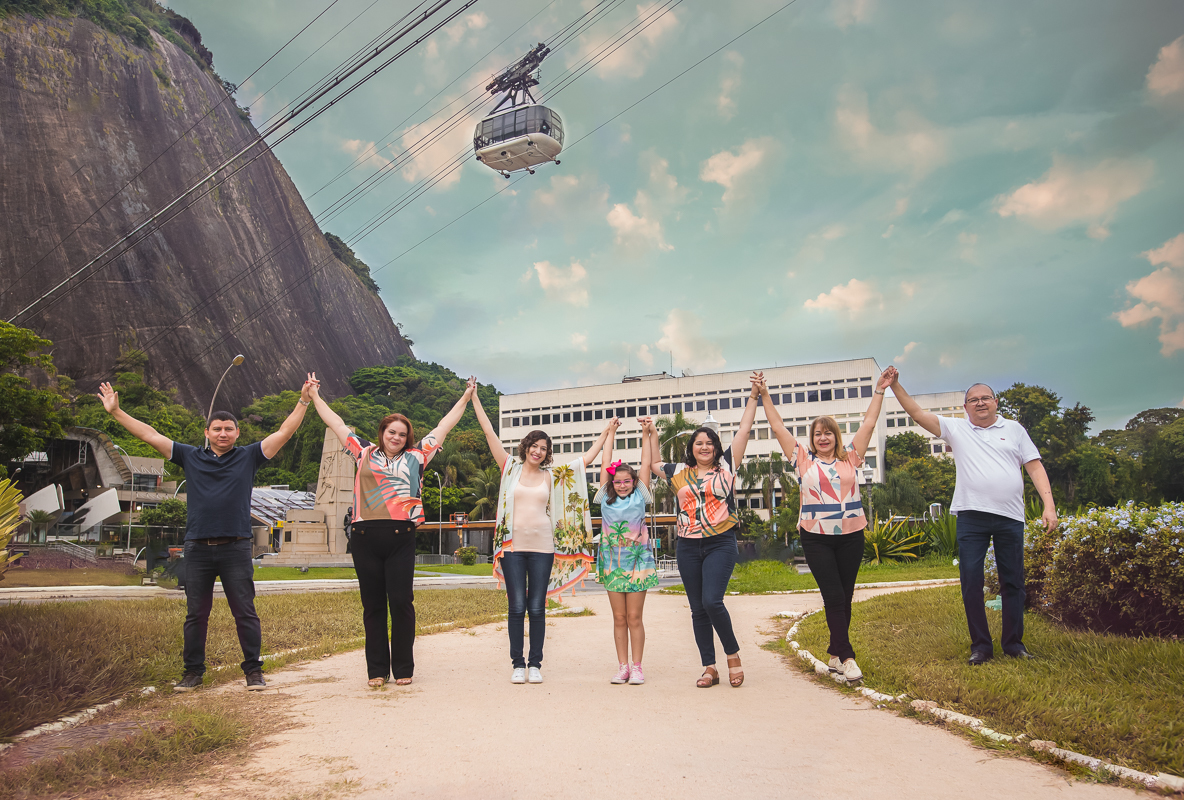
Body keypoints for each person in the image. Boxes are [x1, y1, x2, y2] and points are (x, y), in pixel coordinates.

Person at [98, 377, 314, 692]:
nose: (223, 433)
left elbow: (283, 432)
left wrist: (304, 401)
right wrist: (116, 412)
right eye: (217, 428)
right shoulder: (190, 457)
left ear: (237, 432)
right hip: (198, 548)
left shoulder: (249, 456)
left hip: (236, 547)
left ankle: (253, 671)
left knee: (245, 612)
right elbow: (150, 435)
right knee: (195, 614)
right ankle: (193, 673)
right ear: (207, 433)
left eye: (229, 428)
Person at [306, 372, 474, 688]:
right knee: (372, 605)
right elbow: (337, 424)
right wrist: (315, 397)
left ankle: (403, 668)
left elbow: (444, 426)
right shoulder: (363, 452)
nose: (395, 437)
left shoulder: (417, 456)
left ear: (407, 437)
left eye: (401, 434)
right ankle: (376, 671)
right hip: (365, 536)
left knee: (400, 602)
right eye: (391, 432)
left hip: (401, 537)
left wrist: (465, 397)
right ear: (382, 432)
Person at [890, 375, 1057, 665]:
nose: (980, 402)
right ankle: (980, 646)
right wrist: (894, 386)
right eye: (973, 400)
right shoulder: (957, 428)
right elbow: (916, 414)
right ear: (965, 407)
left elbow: (1034, 466)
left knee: (1013, 581)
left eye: (985, 398)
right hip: (971, 516)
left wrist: (1049, 505)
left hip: (1010, 516)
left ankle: (1014, 644)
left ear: (995, 402)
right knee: (970, 580)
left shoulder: (1014, 430)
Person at [757, 368, 895, 683]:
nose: (823, 437)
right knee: (833, 595)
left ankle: (834, 653)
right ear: (812, 438)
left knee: (844, 596)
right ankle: (847, 658)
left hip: (852, 535)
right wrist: (764, 394)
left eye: (828, 432)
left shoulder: (851, 458)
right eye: (817, 433)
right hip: (816, 537)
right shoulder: (802, 460)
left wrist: (879, 390)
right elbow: (777, 426)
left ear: (836, 436)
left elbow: (870, 423)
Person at [472, 390, 612, 685]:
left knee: (536, 607)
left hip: (542, 548)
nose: (538, 451)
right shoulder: (509, 467)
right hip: (512, 547)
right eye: (534, 446)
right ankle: (517, 664)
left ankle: (535, 663)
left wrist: (606, 432)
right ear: (525, 447)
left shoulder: (553, 476)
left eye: (543, 449)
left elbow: (584, 460)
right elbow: (488, 432)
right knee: (516, 607)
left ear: (547, 453)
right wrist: (473, 398)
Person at [645, 376, 761, 688]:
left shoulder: (727, 466)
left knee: (712, 601)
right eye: (699, 443)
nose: (705, 446)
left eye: (709, 442)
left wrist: (753, 397)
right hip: (687, 546)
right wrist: (652, 433)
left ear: (716, 447)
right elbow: (655, 463)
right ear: (691, 448)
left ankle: (733, 655)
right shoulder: (679, 472)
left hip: (720, 542)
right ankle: (709, 667)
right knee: (697, 609)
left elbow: (745, 430)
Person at [594, 416, 659, 685]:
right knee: (619, 617)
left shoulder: (640, 496)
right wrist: (610, 432)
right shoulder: (604, 496)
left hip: (638, 561)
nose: (622, 485)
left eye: (626, 481)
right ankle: (622, 667)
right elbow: (606, 461)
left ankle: (638, 666)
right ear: (612, 482)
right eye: (618, 481)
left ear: (633, 482)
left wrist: (646, 433)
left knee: (634, 617)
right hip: (611, 562)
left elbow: (645, 464)